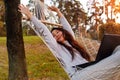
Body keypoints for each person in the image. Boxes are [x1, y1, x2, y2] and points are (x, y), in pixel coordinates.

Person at [18, 4, 120, 80]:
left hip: (92, 69)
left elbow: (67, 27)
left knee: (118, 49)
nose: (56, 36)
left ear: (63, 32)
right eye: (53, 36)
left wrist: (58, 12)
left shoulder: (73, 43)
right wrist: (30, 16)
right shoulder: (56, 47)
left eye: (57, 32)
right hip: (79, 75)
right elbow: (45, 32)